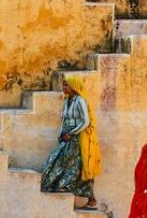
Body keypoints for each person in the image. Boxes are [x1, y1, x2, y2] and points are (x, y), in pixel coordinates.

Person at [39, 75, 102, 209]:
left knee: (76, 165)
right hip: (66, 136)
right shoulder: (67, 100)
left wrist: (71, 133)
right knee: (59, 160)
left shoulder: (80, 101)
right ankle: (62, 187)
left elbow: (85, 122)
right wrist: (62, 134)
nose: (64, 88)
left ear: (73, 87)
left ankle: (87, 198)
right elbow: (64, 120)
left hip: (77, 138)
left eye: (66, 85)